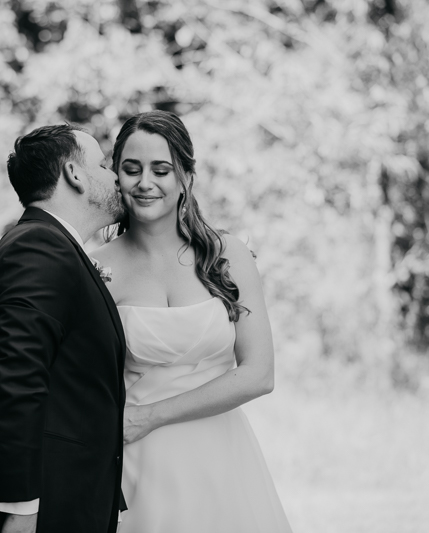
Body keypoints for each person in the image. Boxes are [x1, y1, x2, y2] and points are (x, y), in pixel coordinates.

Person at [90, 111, 293, 532]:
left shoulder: (229, 256)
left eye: (161, 169)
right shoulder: (94, 269)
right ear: (116, 177)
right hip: (135, 462)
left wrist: (151, 416)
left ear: (185, 176)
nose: (145, 182)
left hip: (221, 456)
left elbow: (258, 374)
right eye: (131, 169)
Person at [0, 124, 128, 533]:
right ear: (74, 174)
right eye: (105, 165)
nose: (115, 176)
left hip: (64, 496)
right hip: (22, 509)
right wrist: (21, 508)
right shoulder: (41, 246)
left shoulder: (52, 245)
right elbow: (17, 380)